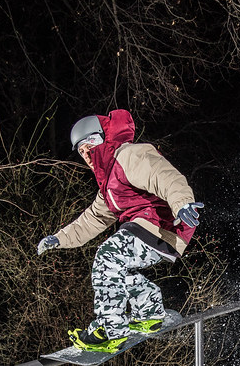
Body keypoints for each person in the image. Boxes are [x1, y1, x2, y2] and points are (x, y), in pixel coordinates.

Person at [37, 109, 204, 352]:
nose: (85, 154)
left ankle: (110, 328)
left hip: (163, 225)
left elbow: (164, 176)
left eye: (88, 146)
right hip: (148, 231)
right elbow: (92, 219)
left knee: (108, 256)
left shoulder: (128, 156)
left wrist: (182, 203)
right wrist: (59, 239)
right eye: (81, 151)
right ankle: (149, 311)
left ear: (100, 140)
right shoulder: (107, 185)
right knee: (116, 271)